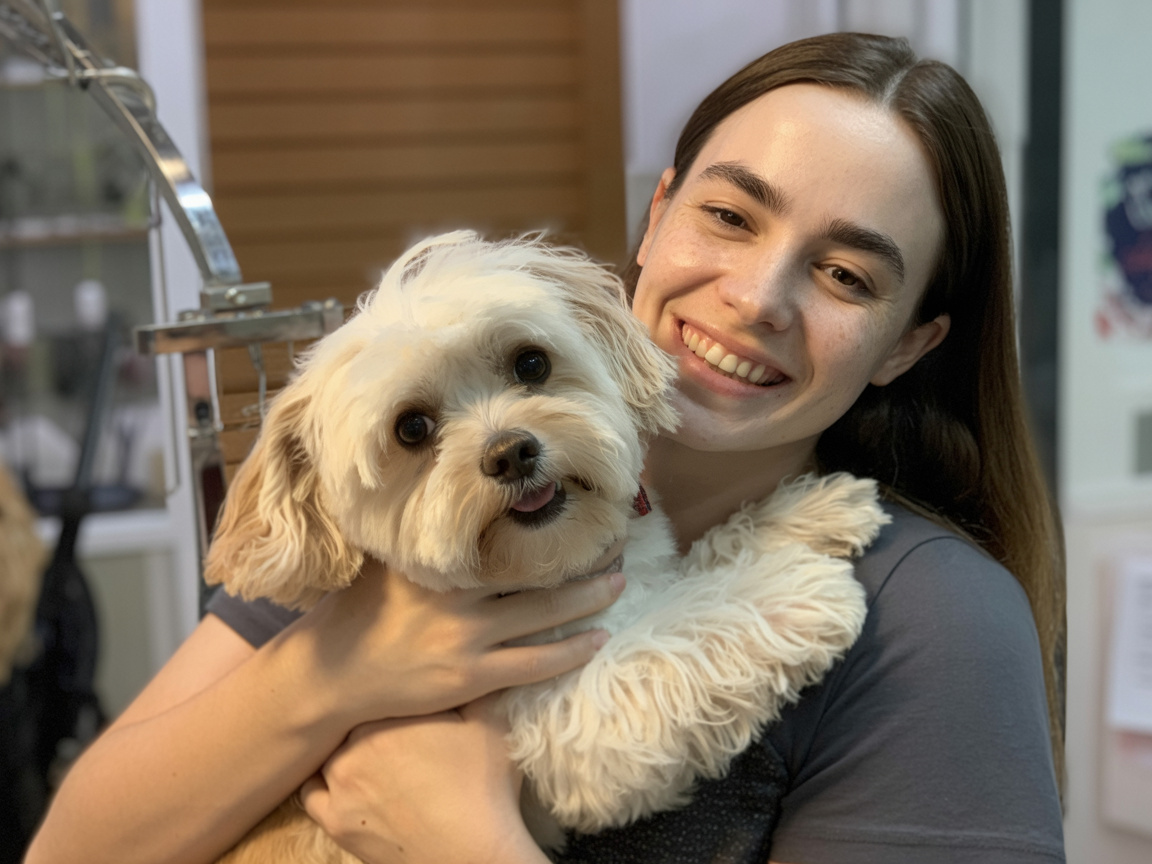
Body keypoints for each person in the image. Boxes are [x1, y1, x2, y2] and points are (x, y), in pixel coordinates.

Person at [25, 32, 1066, 864]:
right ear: (655, 219)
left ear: (911, 342)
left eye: (847, 275)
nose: (757, 299)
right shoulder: (378, 541)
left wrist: (461, 844)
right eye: (729, 215)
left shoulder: (934, 622)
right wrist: (328, 678)